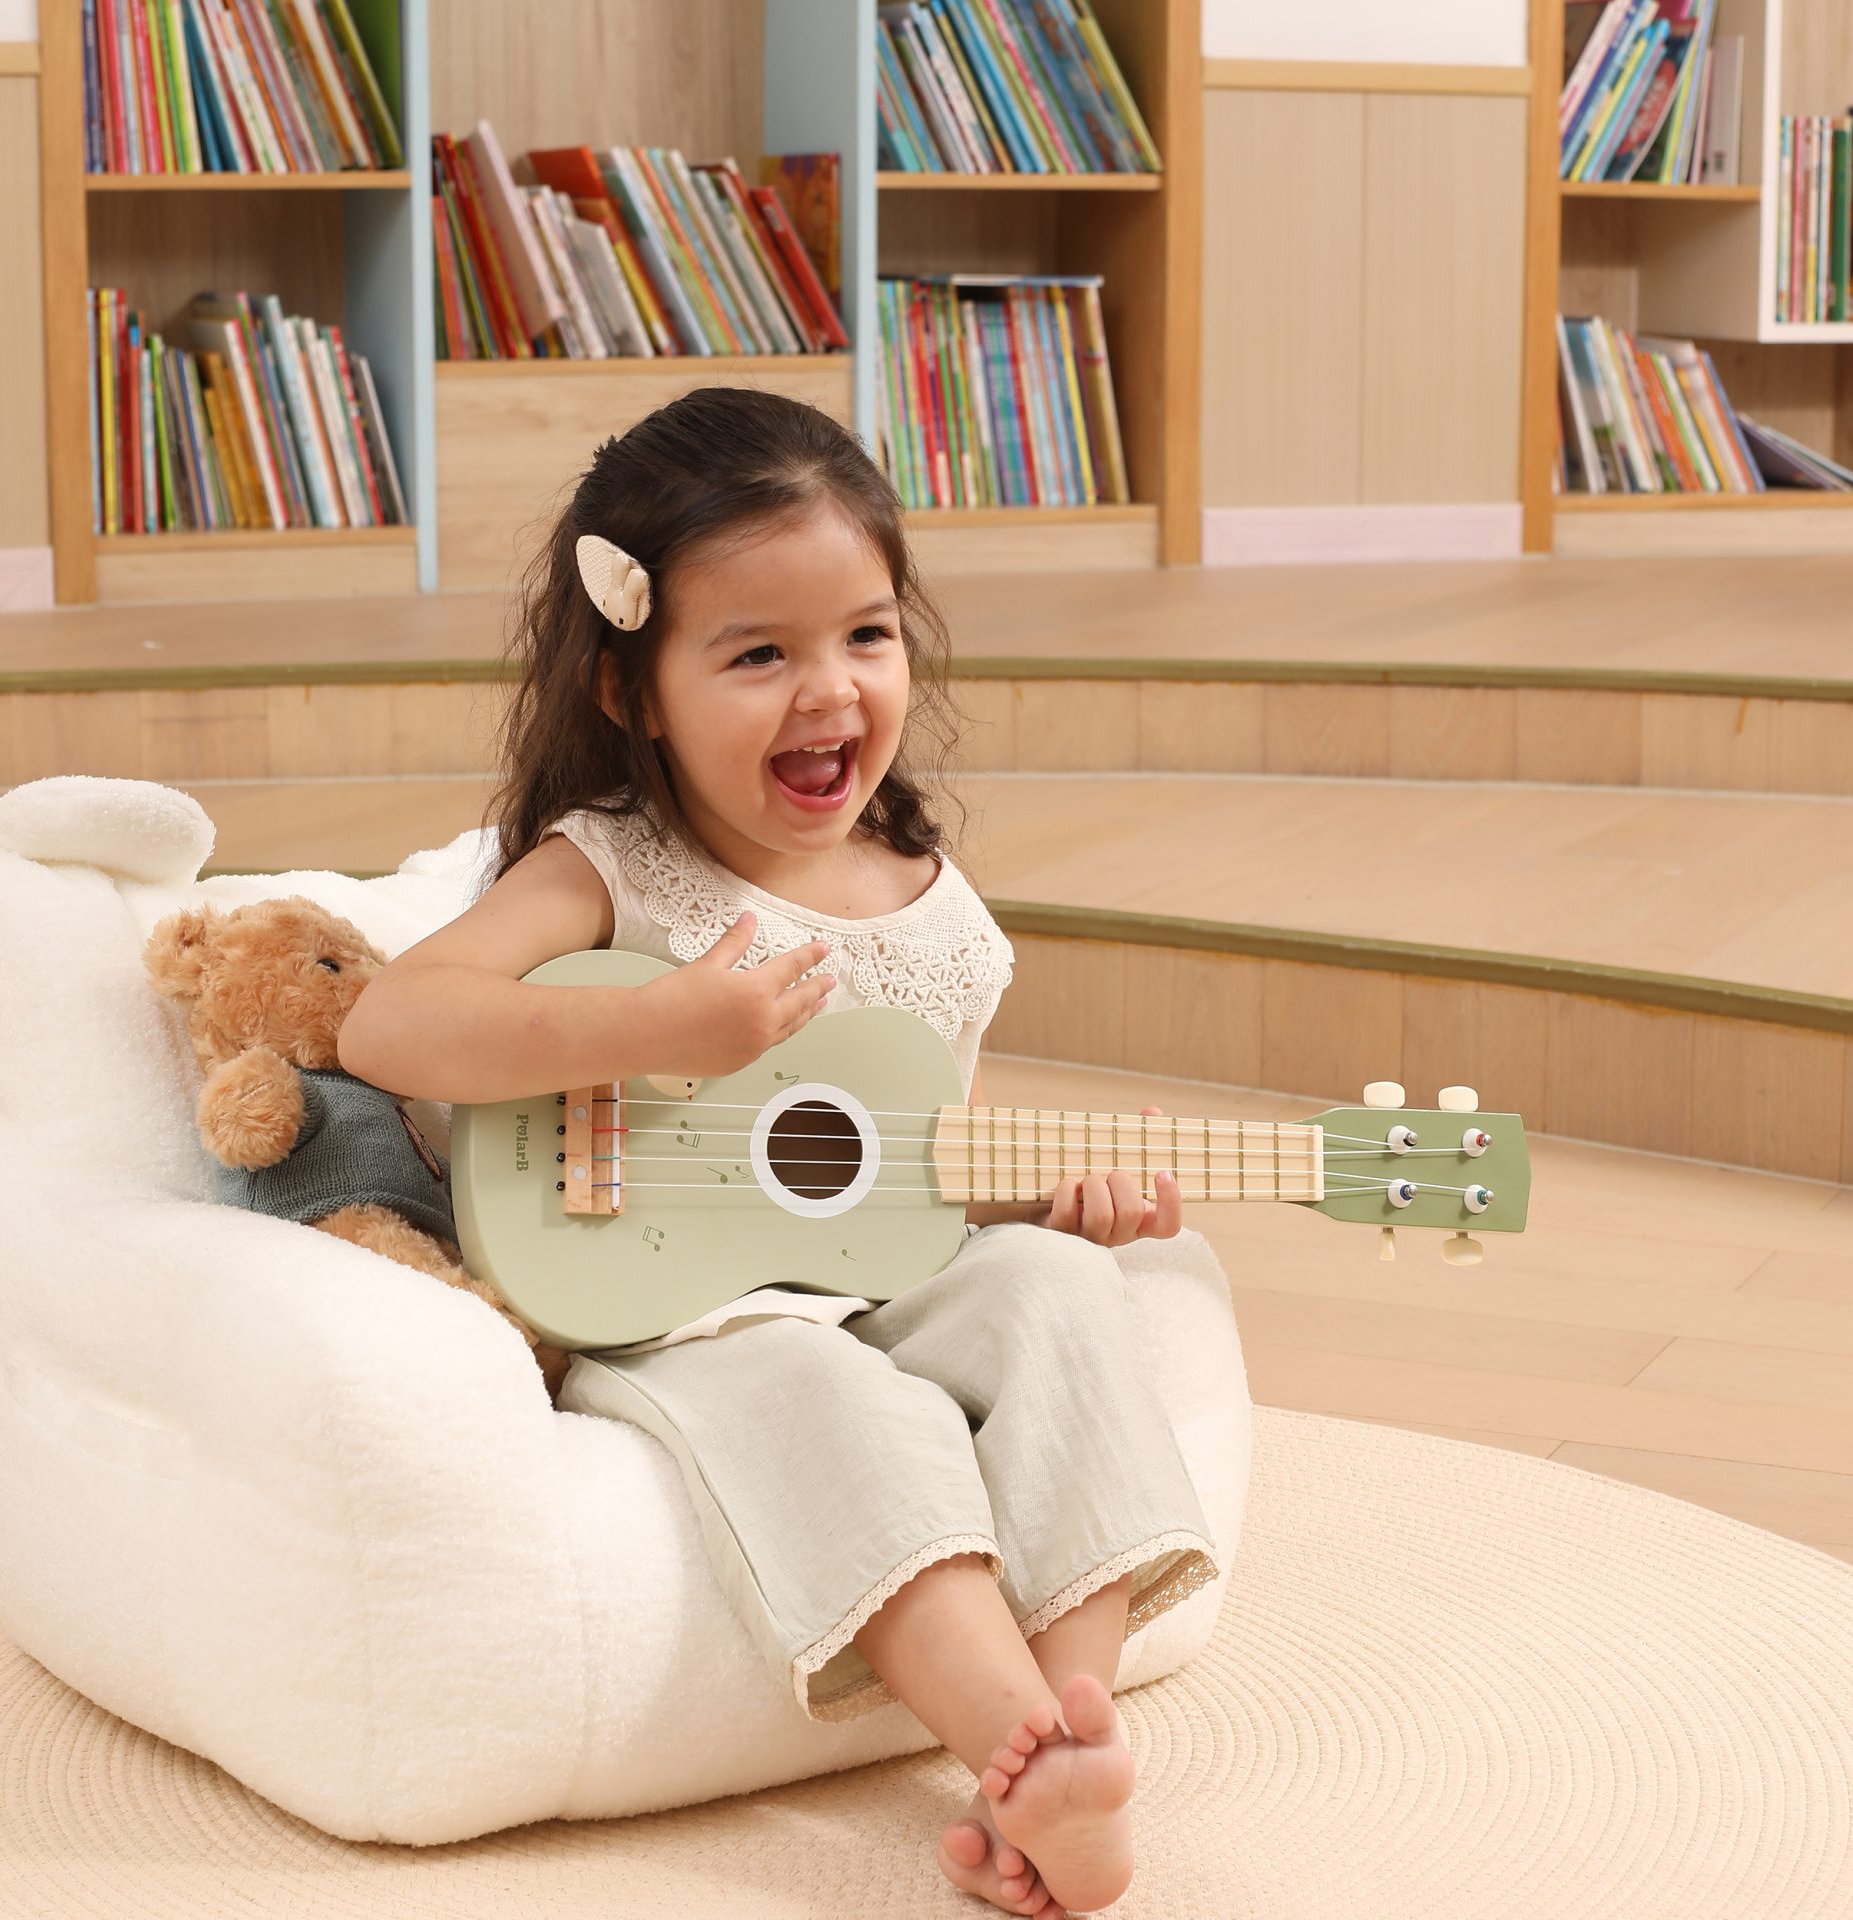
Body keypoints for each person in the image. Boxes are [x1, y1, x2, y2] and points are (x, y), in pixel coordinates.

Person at [337, 387, 1219, 1917]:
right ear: (634, 689)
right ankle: (1010, 1740)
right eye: (758, 654)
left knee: (1069, 1302)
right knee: (829, 1389)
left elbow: (912, 1174)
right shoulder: (610, 867)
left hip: (871, 1272)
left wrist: (1068, 1208)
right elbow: (394, 1026)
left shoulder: (937, 911)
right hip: (678, 1298)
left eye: (865, 637)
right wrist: (664, 1027)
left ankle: (1076, 1722)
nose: (829, 692)